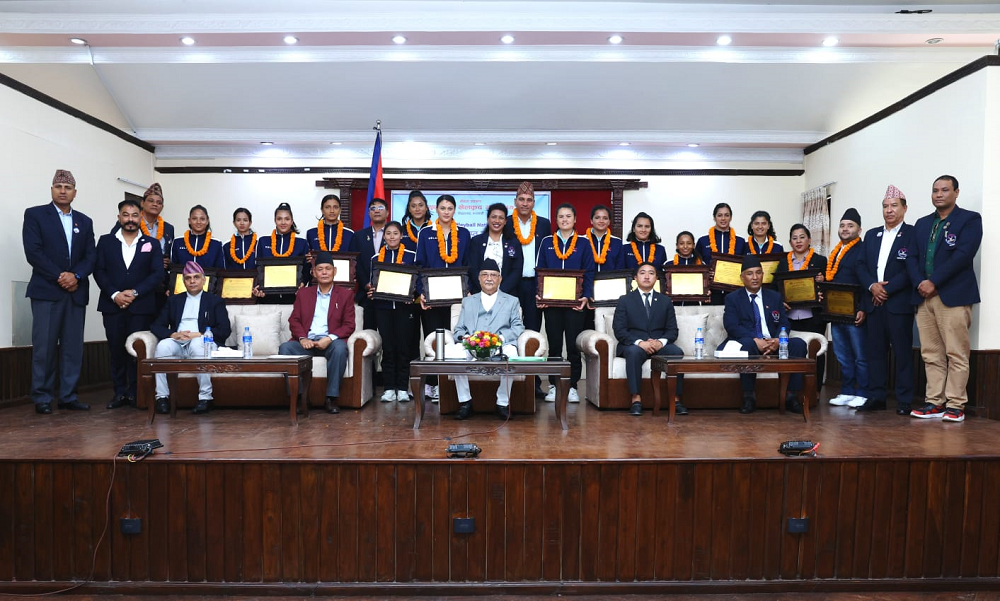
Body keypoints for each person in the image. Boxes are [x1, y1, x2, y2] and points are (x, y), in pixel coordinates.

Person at [909, 175, 982, 423]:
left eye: (944, 190)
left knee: (956, 353)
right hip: (923, 297)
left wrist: (934, 282)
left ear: (956, 192)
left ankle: (956, 405)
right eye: (935, 190)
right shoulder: (922, 223)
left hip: (953, 296)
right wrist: (920, 282)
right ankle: (934, 402)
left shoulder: (969, 219)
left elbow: (963, 256)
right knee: (931, 354)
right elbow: (911, 257)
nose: (939, 194)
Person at [22, 169, 96, 414]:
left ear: (75, 193)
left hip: (76, 292)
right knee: (44, 348)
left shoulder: (84, 221)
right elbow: (34, 252)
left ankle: (68, 396)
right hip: (47, 292)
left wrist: (76, 276)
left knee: (72, 348)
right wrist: (60, 276)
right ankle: (42, 397)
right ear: (52, 189)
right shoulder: (35, 215)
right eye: (58, 187)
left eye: (68, 188)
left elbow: (91, 256)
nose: (63, 191)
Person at [94, 198, 164, 409]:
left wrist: (134, 292)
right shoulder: (106, 241)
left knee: (136, 352)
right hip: (112, 305)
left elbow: (157, 274)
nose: (130, 219)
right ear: (119, 217)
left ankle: (135, 393)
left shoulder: (151, 243)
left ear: (140, 217)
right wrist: (115, 294)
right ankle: (119, 393)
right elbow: (99, 271)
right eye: (126, 215)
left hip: (141, 306)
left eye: (134, 215)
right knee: (116, 350)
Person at [721, 255, 807, 414]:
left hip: (773, 341)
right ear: (742, 277)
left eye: (758, 272)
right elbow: (732, 326)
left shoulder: (774, 297)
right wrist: (755, 340)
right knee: (747, 344)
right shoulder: (733, 298)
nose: (755, 277)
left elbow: (784, 322)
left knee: (798, 344)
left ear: (763, 275)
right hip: (750, 342)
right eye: (750, 273)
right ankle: (749, 396)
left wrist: (778, 339)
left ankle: (791, 396)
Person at [859, 185, 916, 415]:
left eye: (894, 206)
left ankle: (904, 400)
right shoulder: (872, 235)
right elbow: (861, 266)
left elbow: (912, 268)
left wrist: (886, 290)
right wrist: (872, 286)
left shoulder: (912, 234)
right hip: (874, 304)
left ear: (904, 208)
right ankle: (876, 397)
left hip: (898, 304)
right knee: (875, 353)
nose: (889, 210)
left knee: (902, 354)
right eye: (885, 206)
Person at [446, 259, 525, 420]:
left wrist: (501, 338)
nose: (489, 278)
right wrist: (466, 338)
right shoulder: (468, 301)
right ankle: (465, 402)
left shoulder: (511, 301)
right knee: (455, 355)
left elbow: (518, 327)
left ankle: (502, 403)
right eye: (485, 275)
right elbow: (459, 329)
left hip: (500, 345)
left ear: (500, 279)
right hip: (472, 346)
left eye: (493, 275)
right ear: (479, 278)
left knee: (512, 354)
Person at [150, 261, 231, 415]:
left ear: (204, 280)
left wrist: (199, 334)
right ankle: (162, 398)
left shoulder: (215, 301)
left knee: (197, 345)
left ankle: (205, 398)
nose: (192, 281)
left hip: (203, 342)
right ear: (183, 281)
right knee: (163, 346)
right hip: (179, 341)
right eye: (188, 278)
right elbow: (157, 326)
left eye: (196, 277)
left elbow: (224, 330)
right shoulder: (174, 300)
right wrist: (173, 334)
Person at [279, 252, 356, 414]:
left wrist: (329, 338)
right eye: (320, 269)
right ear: (314, 273)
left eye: (328, 269)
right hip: (306, 343)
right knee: (285, 348)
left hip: (330, 343)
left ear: (335, 271)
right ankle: (300, 398)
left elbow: (349, 325)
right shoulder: (303, 294)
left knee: (340, 348)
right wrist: (302, 338)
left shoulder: (345, 295)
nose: (324, 273)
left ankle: (331, 398)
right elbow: (294, 320)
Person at [536, 203, 595, 403]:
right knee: (554, 346)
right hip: (552, 304)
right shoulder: (546, 242)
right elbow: (540, 271)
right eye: (561, 216)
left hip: (575, 304)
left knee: (572, 347)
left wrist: (586, 296)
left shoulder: (584, 243)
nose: (564, 219)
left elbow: (589, 272)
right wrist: (540, 295)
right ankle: (553, 385)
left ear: (575, 219)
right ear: (556, 220)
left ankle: (572, 386)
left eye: (568, 216)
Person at [416, 195, 472, 399]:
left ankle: (450, 385)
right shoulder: (426, 233)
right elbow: (420, 265)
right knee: (434, 338)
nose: (446, 212)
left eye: (450, 208)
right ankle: (432, 383)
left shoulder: (463, 233)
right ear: (436, 210)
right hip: (433, 296)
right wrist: (421, 292)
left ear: (455, 210)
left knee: (455, 339)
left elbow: (468, 264)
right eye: (442, 208)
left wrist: (468, 290)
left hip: (457, 297)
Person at [613, 262, 684, 416]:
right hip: (634, 344)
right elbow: (619, 330)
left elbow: (672, 330)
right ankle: (636, 399)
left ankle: (676, 400)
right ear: (635, 278)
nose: (647, 276)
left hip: (658, 344)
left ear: (656, 278)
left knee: (676, 352)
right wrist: (640, 343)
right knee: (633, 352)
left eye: (651, 273)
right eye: (642, 273)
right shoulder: (625, 300)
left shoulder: (665, 301)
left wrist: (660, 342)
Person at [364, 221, 419, 402]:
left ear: (401, 235)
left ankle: (402, 388)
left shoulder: (411, 255)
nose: (392, 237)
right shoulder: (376, 258)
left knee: (404, 348)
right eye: (388, 233)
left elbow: (417, 281)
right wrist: (371, 290)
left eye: (395, 233)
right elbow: (372, 282)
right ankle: (388, 388)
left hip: (405, 308)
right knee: (388, 348)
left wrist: (413, 294)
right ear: (384, 236)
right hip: (383, 308)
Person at [824, 208, 870, 409]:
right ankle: (847, 391)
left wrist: (863, 307)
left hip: (855, 311)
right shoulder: (836, 251)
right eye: (842, 225)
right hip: (836, 313)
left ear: (859, 230)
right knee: (843, 356)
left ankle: (863, 392)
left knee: (860, 356)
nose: (845, 229)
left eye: (850, 226)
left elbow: (867, 281)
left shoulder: (863, 250)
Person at [772, 223, 828, 385]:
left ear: (809, 240)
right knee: (791, 352)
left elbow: (830, 287)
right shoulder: (783, 263)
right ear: (790, 242)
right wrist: (781, 302)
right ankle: (792, 388)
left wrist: (823, 281)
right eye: (794, 238)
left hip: (812, 317)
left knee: (815, 352)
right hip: (789, 317)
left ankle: (815, 389)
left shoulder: (820, 260)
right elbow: (776, 287)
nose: (798, 241)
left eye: (802, 237)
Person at [506, 181, 552, 335]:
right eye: (521, 199)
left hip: (534, 284)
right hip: (511, 283)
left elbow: (548, 254)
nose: (525, 203)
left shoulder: (544, 224)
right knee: (509, 325)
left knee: (533, 328)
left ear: (533, 202)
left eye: (529, 200)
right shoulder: (506, 223)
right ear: (515, 201)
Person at [255, 202, 310, 303]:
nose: (283, 222)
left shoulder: (301, 243)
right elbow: (258, 268)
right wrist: (258, 286)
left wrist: (303, 283)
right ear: (275, 220)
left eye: (287, 219)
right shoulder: (263, 241)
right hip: (268, 297)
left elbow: (307, 269)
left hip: (293, 297)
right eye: (279, 219)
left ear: (292, 221)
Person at [697, 203, 748, 304]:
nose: (723, 218)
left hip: (734, 292)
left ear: (731, 217)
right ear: (714, 217)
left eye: (726, 215)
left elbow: (745, 267)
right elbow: (697, 266)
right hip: (711, 292)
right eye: (720, 215)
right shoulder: (703, 241)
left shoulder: (740, 241)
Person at [468, 203, 523, 295]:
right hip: (480, 293)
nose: (497, 221)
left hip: (506, 294)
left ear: (505, 221)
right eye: (493, 217)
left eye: (501, 218)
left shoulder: (514, 243)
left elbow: (517, 271)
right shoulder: (476, 241)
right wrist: (485, 289)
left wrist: (500, 291)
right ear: (488, 219)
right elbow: (473, 268)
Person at [355, 197, 390, 332]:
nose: (376, 211)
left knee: (388, 334)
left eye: (381, 208)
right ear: (369, 213)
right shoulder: (358, 236)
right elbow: (356, 263)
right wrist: (366, 284)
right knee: (368, 336)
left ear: (387, 213)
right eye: (373, 208)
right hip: (366, 295)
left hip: (388, 294)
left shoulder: (394, 235)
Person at [585, 205, 625, 273]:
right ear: (591, 220)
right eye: (597, 218)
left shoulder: (617, 242)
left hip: (610, 279)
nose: (601, 221)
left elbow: (620, 268)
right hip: (587, 279)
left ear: (609, 222)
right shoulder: (582, 240)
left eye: (605, 218)